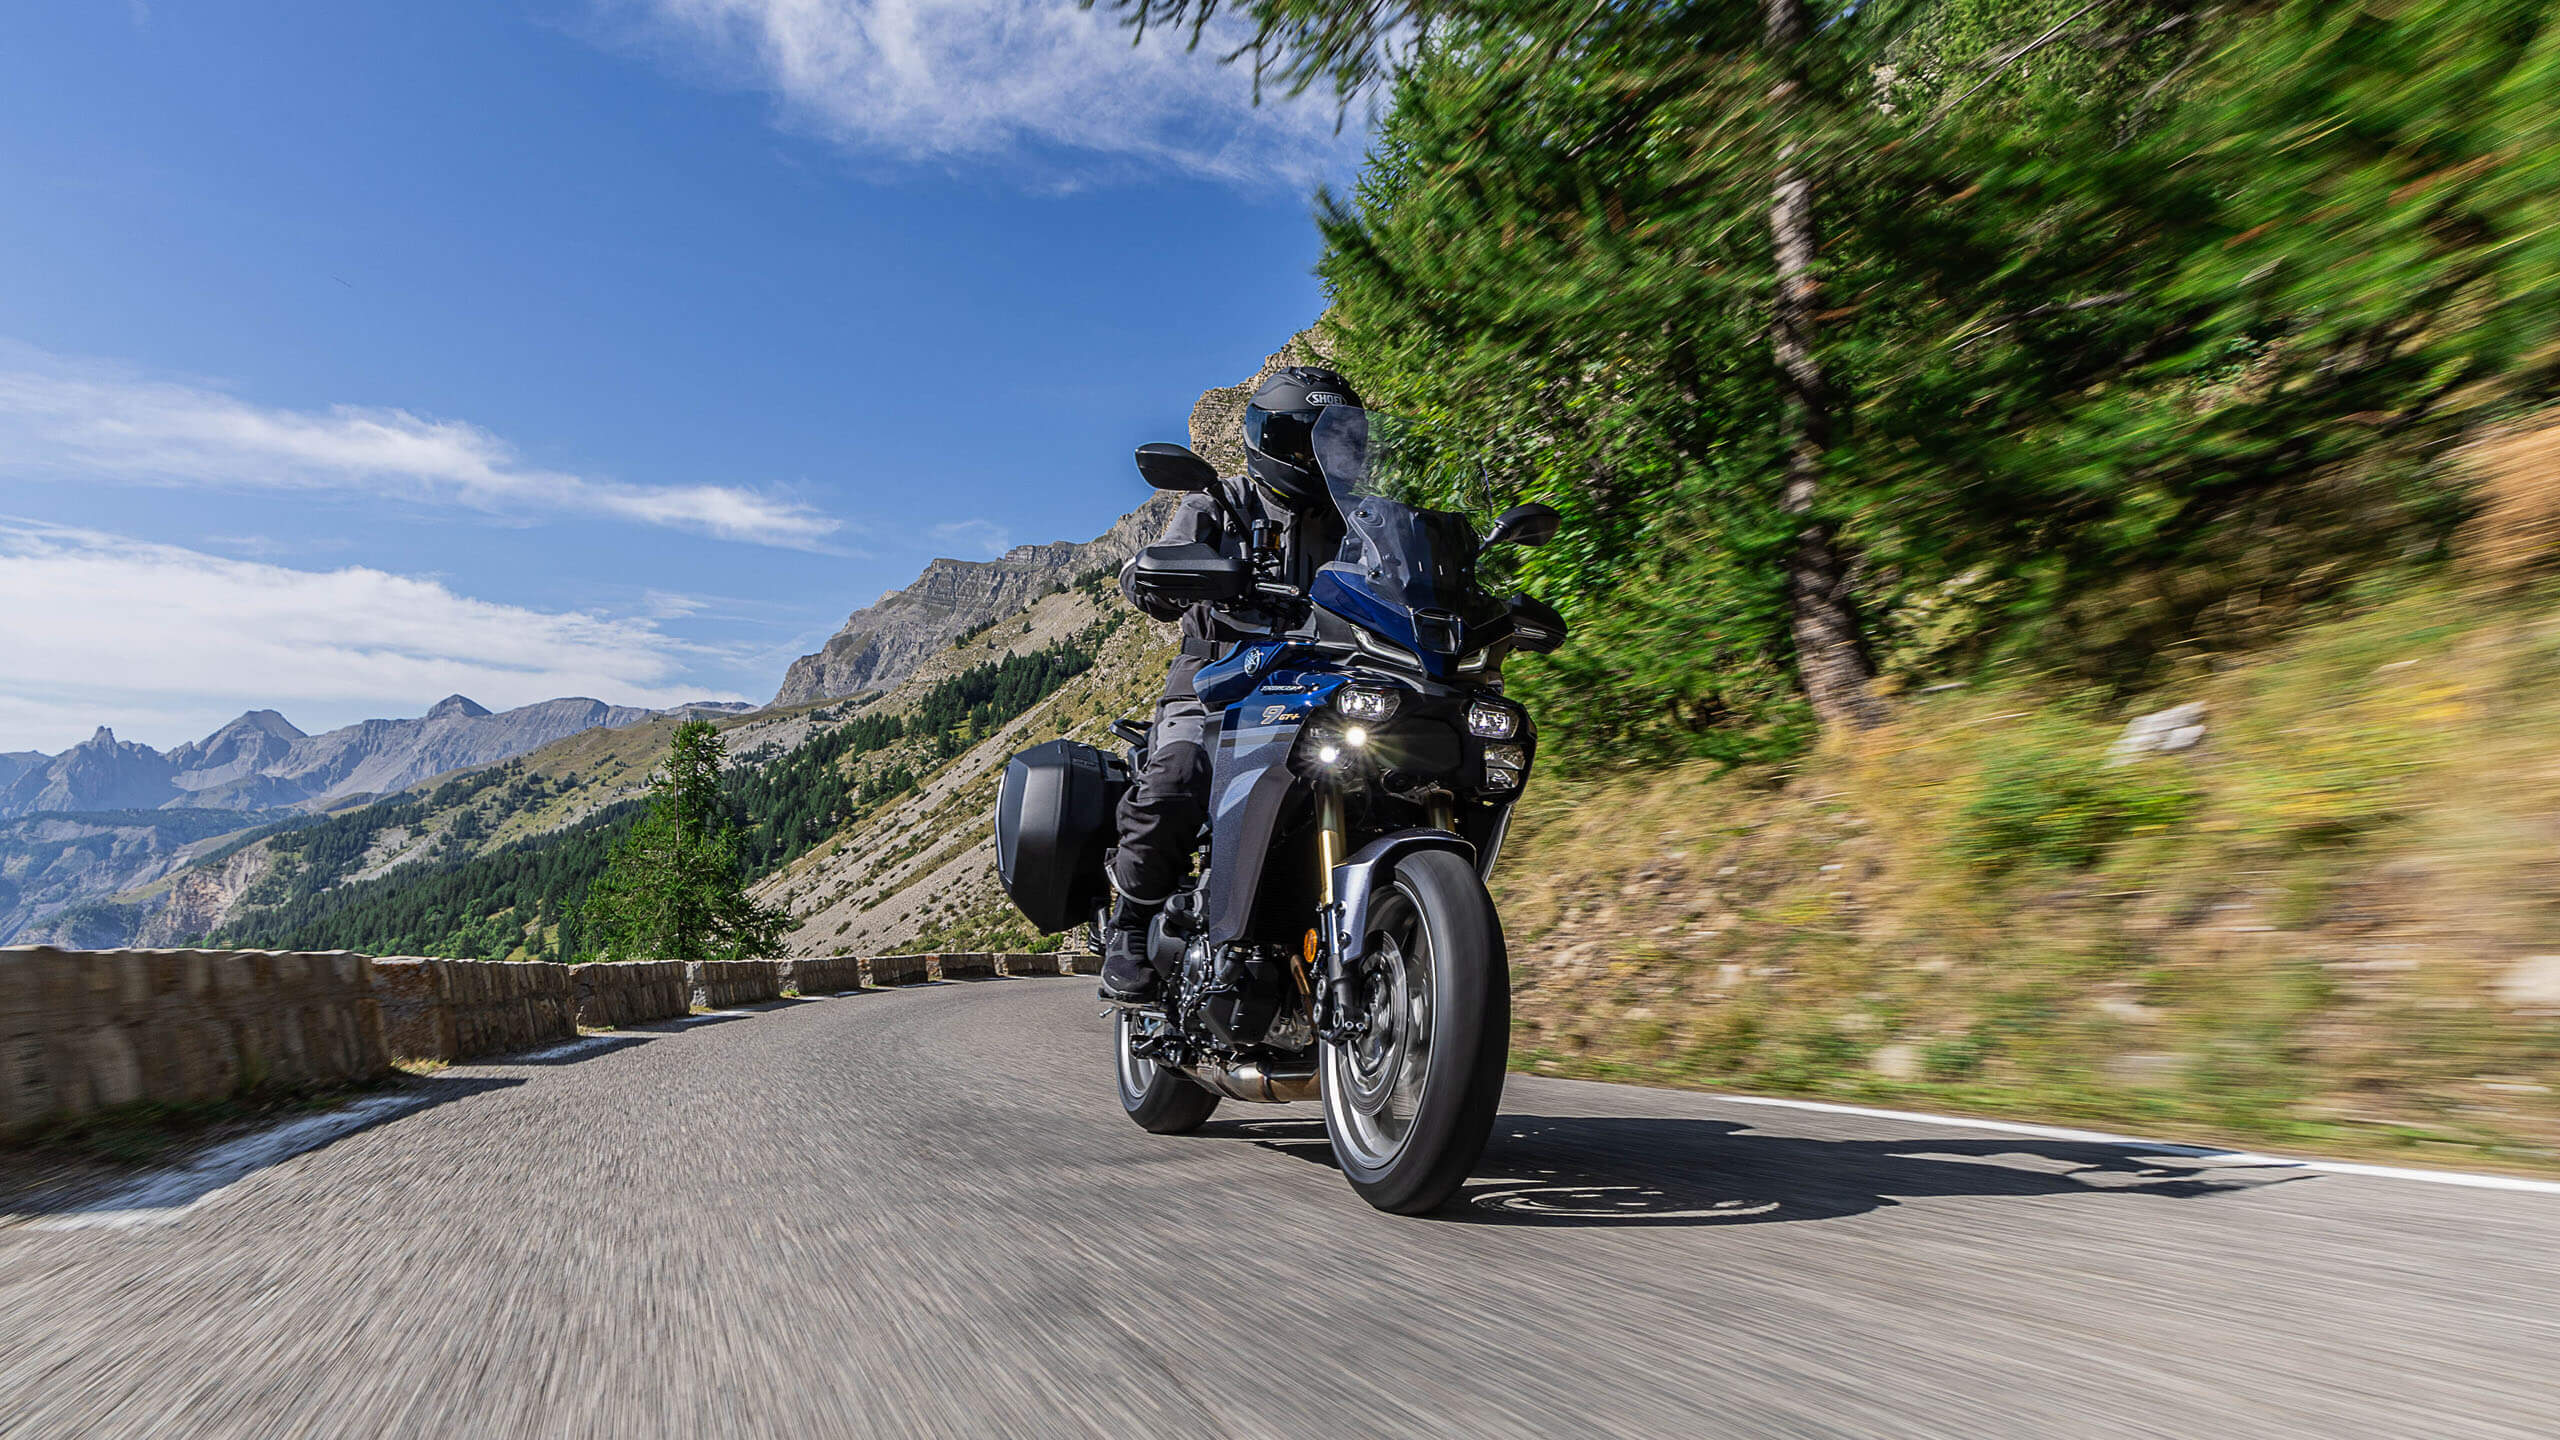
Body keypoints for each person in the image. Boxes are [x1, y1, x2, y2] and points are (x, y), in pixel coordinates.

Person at [1100, 366, 1361, 1002]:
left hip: (1323, 682)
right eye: (1303, 440)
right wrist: (1160, 579)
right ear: (1268, 441)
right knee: (1179, 771)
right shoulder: (1221, 503)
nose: (1317, 456)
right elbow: (1147, 572)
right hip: (1216, 684)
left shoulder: (1360, 521)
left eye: (1333, 440)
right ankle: (1131, 923)